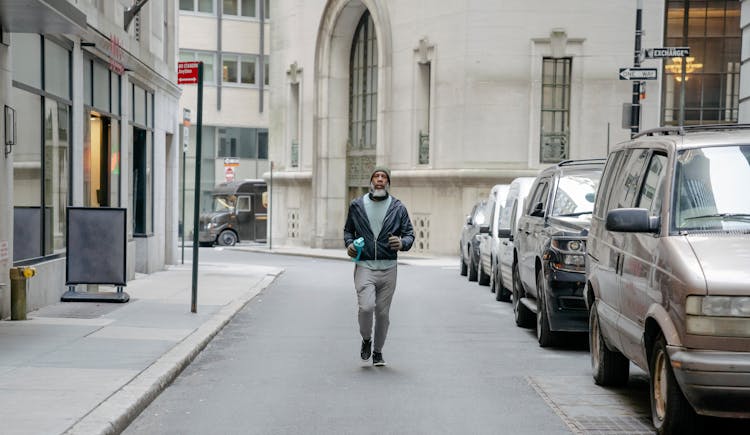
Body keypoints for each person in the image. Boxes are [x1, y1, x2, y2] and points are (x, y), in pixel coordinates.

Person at [343, 167, 414, 366]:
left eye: (384, 177)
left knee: (382, 314)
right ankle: (366, 339)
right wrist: (349, 245)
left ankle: (378, 352)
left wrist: (402, 243)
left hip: (389, 267)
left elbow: (409, 234)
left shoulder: (398, 208)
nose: (380, 179)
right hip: (365, 265)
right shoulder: (357, 205)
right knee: (366, 307)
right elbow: (348, 231)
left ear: (388, 182)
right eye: (377, 176)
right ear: (371, 181)